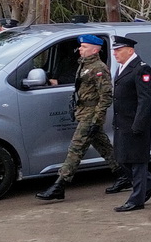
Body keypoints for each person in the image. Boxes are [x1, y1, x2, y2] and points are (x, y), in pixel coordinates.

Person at [36, 35, 127, 201]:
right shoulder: (84, 64)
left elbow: (106, 96)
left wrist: (96, 120)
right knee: (104, 146)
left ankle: (60, 185)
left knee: (76, 148)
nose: (80, 49)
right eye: (81, 46)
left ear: (95, 49)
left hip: (91, 114)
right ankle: (124, 175)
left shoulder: (99, 68)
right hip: (83, 111)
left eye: (84, 46)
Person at [109, 37, 151, 211]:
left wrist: (138, 124)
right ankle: (150, 184)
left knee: (137, 162)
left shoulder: (141, 68)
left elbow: (145, 100)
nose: (115, 53)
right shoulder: (122, 67)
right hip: (122, 122)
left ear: (130, 50)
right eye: (114, 50)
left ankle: (136, 200)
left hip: (135, 123)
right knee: (122, 159)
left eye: (118, 50)